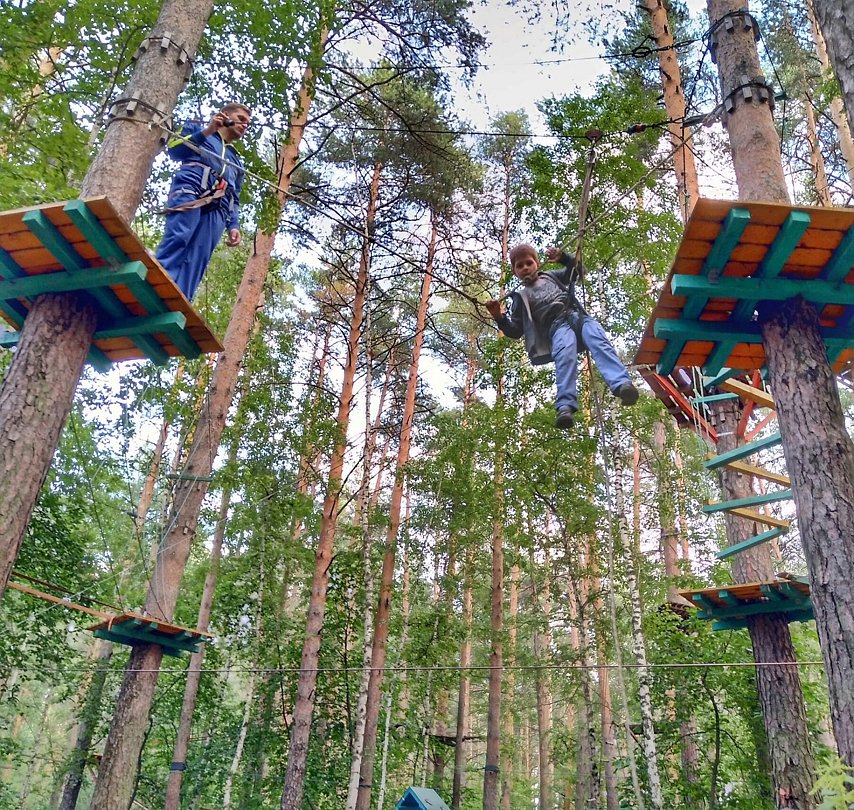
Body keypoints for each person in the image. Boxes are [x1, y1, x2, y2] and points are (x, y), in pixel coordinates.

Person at [485, 243, 638, 429]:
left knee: (598, 340)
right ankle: (565, 406)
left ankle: (622, 384)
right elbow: (516, 331)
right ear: (515, 271)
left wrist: (563, 258)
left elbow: (579, 271)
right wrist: (499, 317)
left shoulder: (551, 276)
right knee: (564, 356)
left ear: (537, 263)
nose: (525, 267)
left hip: (576, 316)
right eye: (520, 265)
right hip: (557, 326)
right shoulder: (520, 297)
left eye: (529, 263)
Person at [155, 103, 251, 300]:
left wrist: (234, 225)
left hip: (220, 206)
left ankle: (179, 300)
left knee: (199, 255)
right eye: (241, 119)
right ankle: (156, 284)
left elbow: (235, 196)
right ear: (226, 116)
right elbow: (174, 149)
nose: (244, 125)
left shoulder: (236, 161)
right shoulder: (197, 129)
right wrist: (208, 131)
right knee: (180, 235)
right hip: (191, 187)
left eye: (247, 124)